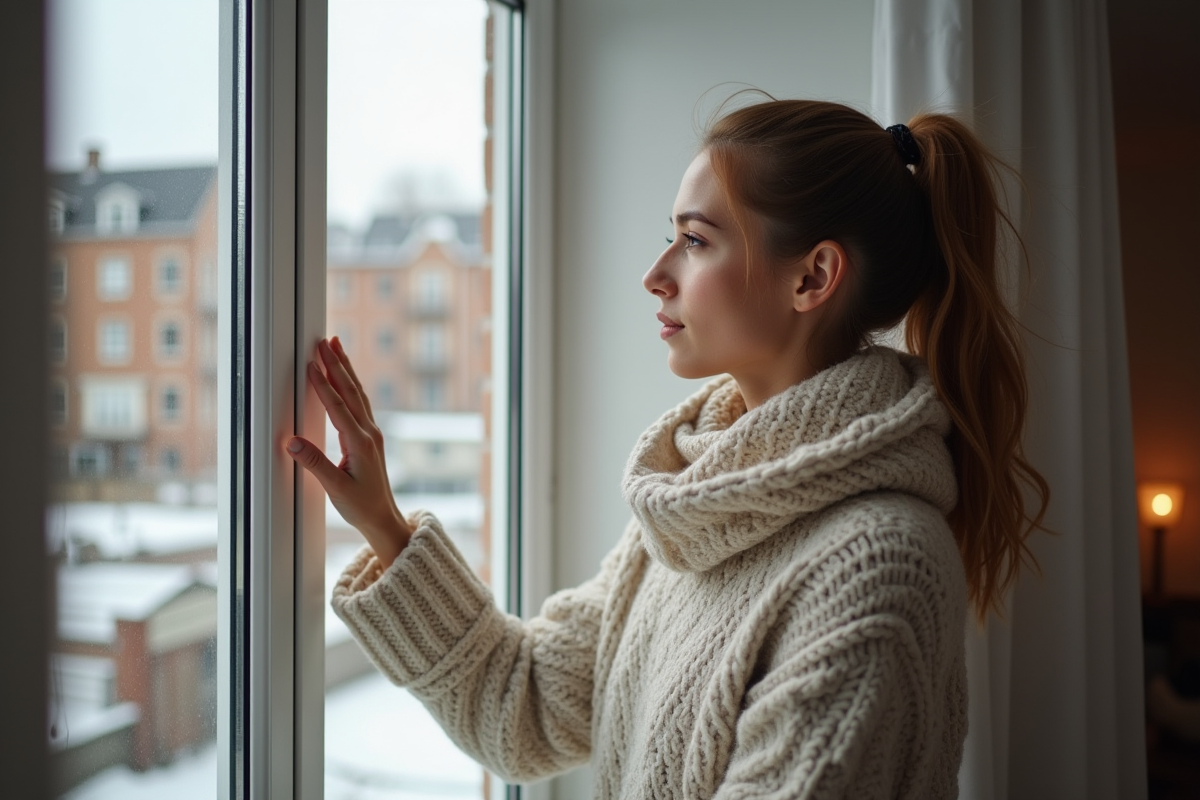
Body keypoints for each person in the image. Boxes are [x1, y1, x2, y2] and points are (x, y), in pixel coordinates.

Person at [285, 97, 1049, 798]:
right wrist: (383, 523)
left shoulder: (878, 564)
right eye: (670, 238)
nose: (655, 276)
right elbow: (525, 705)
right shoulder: (700, 502)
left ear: (812, 276)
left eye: (694, 240)